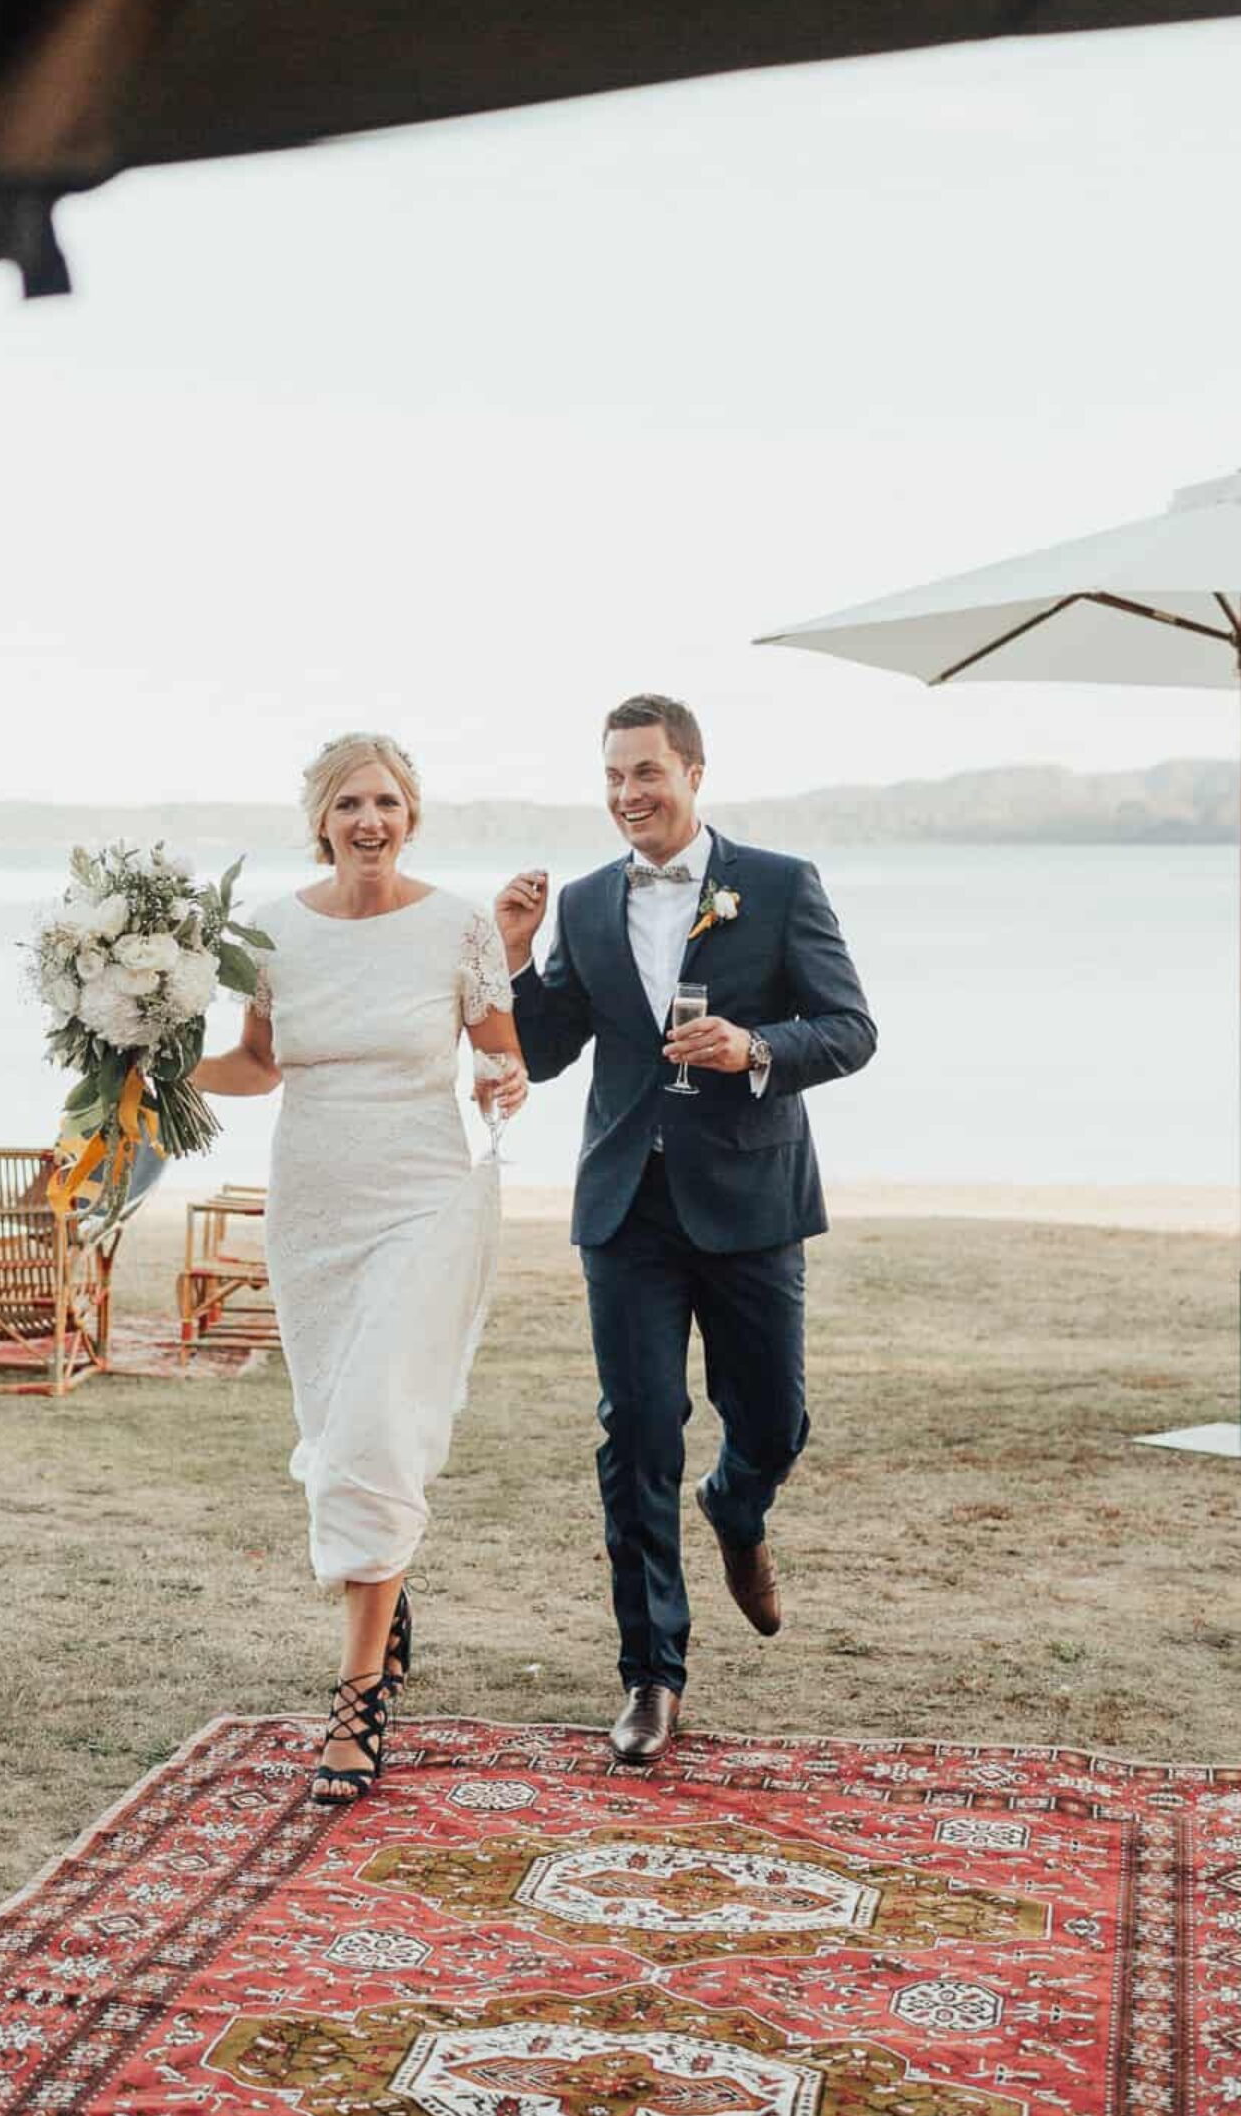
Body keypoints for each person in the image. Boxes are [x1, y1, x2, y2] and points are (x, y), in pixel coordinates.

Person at [496, 693, 875, 1769]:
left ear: (694, 774)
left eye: (646, 775)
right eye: (613, 777)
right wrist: (518, 957)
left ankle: (737, 1502)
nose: (628, 796)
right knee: (638, 1430)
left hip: (753, 1199)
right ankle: (651, 1675)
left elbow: (851, 1028)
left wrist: (753, 1047)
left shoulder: (781, 884)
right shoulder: (577, 900)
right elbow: (546, 1049)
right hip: (626, 1208)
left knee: (774, 1418)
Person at [194, 732, 526, 1803]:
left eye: (386, 800)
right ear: (322, 820)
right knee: (339, 1431)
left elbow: (499, 1048)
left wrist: (502, 1085)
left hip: (422, 1202)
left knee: (378, 1427)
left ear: (411, 815)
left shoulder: (459, 926)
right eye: (349, 803)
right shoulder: (275, 933)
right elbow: (257, 1063)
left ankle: (355, 1701)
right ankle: (385, 1597)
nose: (369, 819)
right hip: (316, 1213)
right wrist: (146, 1072)